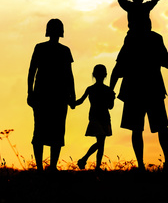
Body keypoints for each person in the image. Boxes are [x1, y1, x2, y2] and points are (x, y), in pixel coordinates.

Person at [102, 0, 168, 171]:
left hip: (134, 90)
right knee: (160, 126)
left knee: (138, 128)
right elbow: (167, 62)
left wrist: (111, 89)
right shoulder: (153, 39)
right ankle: (166, 162)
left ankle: (143, 165)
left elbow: (118, 69)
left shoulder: (132, 41)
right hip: (152, 89)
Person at [102, 0, 168, 90]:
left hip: (142, 35)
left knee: (119, 65)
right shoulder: (138, 6)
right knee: (120, 63)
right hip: (134, 36)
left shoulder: (134, 6)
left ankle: (165, 60)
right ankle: (111, 90)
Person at [27, 19, 76, 171]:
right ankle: (47, 167)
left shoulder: (45, 48)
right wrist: (72, 96)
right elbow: (32, 71)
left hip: (50, 95)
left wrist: (30, 92)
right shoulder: (60, 50)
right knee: (52, 130)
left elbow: (68, 75)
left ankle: (45, 167)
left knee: (45, 130)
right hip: (50, 95)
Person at [70, 64, 115, 171]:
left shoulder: (91, 89)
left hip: (96, 117)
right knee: (101, 143)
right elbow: (111, 107)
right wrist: (112, 98)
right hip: (101, 118)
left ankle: (94, 165)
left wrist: (72, 103)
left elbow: (80, 101)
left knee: (101, 143)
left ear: (93, 75)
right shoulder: (107, 90)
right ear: (105, 75)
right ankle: (89, 162)